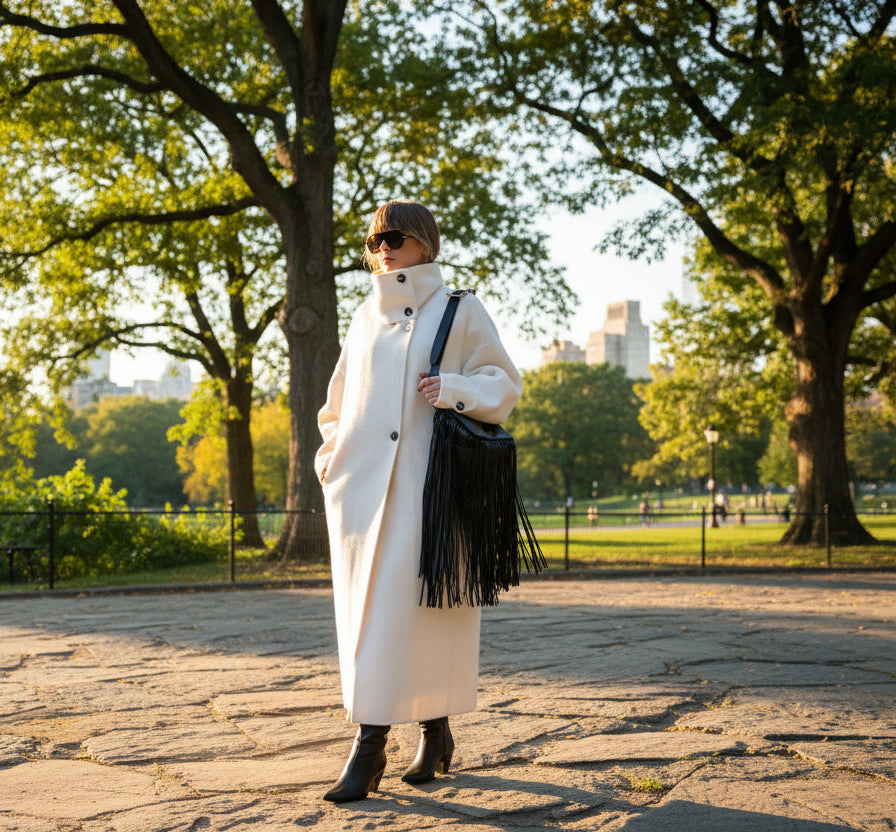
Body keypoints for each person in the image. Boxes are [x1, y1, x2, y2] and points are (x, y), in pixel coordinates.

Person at [315, 200, 524, 803]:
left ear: (425, 242)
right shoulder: (363, 317)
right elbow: (336, 404)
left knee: (413, 616)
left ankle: (369, 747)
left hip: (431, 493)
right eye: (375, 239)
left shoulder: (460, 308)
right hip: (359, 496)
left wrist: (453, 389)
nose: (383, 247)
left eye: (396, 236)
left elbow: (504, 383)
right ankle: (436, 733)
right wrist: (330, 462)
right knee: (377, 620)